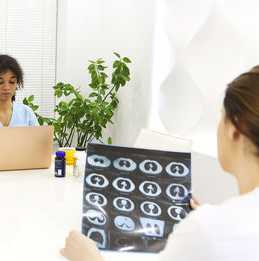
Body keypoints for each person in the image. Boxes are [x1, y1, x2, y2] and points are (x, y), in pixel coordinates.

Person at [60, 66, 259, 261]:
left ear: (235, 128)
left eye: (221, 116)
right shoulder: (217, 225)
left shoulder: (204, 231)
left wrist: (90, 258)